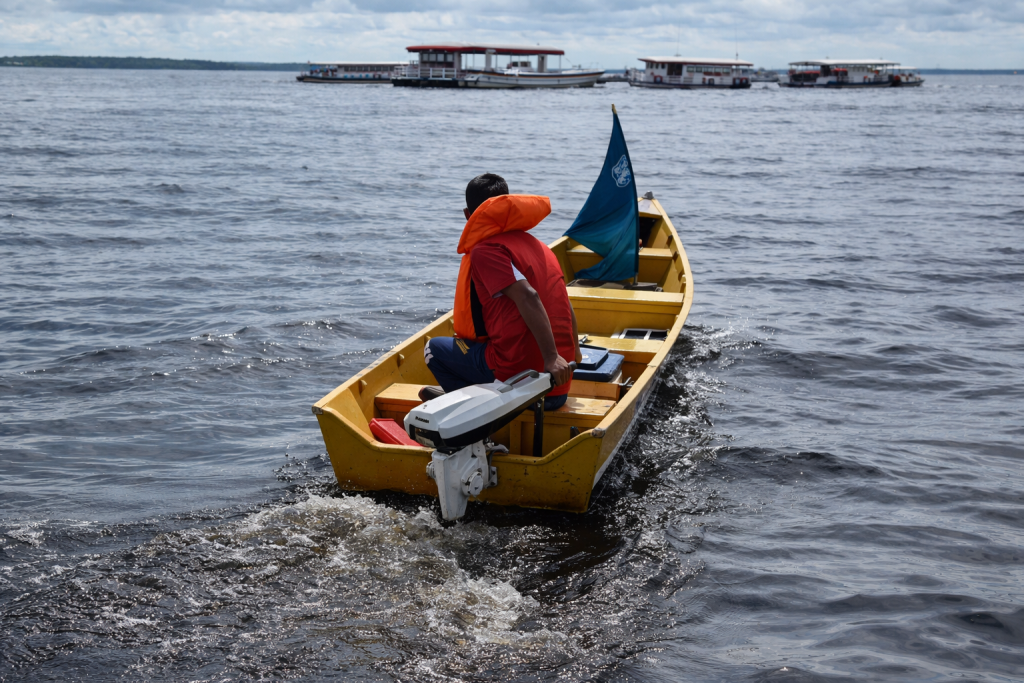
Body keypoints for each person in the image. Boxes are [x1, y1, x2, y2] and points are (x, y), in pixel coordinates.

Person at [423, 173, 581, 411]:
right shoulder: (540, 247)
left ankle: (474, 413)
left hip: (521, 389)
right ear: (508, 205)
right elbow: (565, 304)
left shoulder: (486, 250)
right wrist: (574, 351)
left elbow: (529, 296)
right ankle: (467, 393)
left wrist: (550, 357)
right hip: (557, 388)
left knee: (433, 350)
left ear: (468, 215)